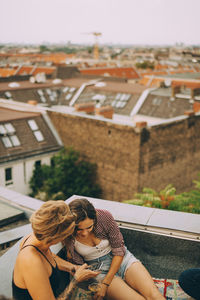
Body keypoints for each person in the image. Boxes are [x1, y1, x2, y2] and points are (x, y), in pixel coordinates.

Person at [63, 198, 165, 300]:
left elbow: (118, 249)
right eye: (79, 229)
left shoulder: (104, 217)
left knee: (154, 294)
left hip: (122, 259)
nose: (84, 233)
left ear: (94, 219)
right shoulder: (67, 232)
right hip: (98, 270)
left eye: (89, 227)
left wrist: (106, 284)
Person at [12, 200, 99, 300]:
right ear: (56, 237)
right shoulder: (31, 261)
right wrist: (75, 280)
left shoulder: (37, 238)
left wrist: (73, 267)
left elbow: (49, 257)